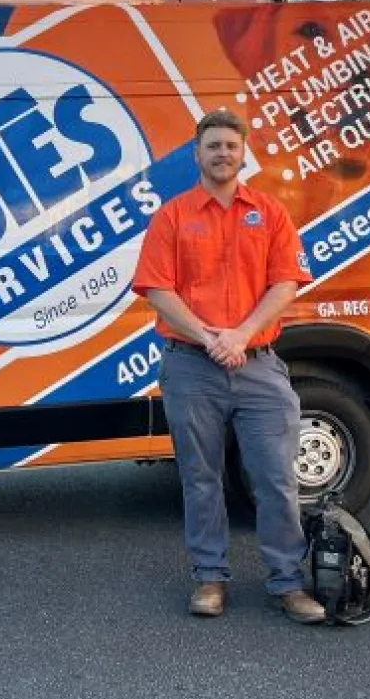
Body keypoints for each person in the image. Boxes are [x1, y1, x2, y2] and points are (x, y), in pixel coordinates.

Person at [131, 108, 325, 624]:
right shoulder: (172, 217)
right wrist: (210, 338)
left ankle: (287, 583)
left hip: (258, 365)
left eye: (231, 146)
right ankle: (210, 578)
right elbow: (157, 289)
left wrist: (240, 335)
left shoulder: (270, 213)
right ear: (197, 154)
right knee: (201, 479)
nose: (222, 154)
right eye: (213, 145)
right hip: (191, 367)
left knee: (276, 478)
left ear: (243, 155)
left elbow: (286, 282)